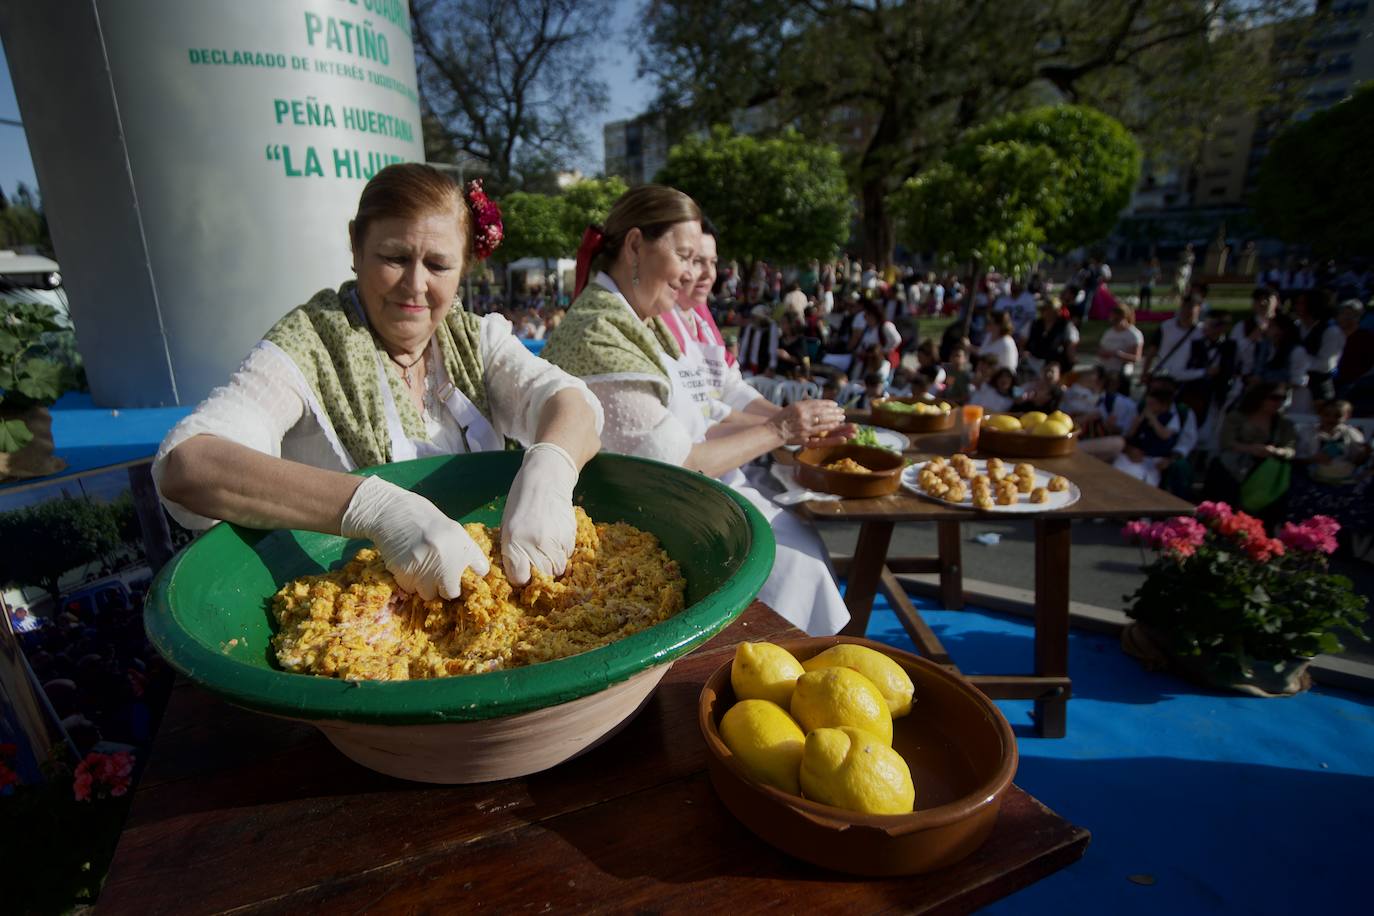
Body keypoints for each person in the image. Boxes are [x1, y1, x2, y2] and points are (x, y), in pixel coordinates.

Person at [153, 164, 603, 599]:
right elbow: (188, 465)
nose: (415, 284)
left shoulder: (473, 340)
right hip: (359, 616)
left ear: (465, 266)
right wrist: (373, 508)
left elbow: (570, 404)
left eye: (439, 265)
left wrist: (550, 468)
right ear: (356, 246)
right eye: (394, 257)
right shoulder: (309, 343)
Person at [542, 185, 852, 635]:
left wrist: (788, 426)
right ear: (634, 246)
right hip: (634, 531)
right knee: (798, 564)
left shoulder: (639, 319)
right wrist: (783, 426)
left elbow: (708, 410)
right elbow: (679, 464)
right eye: (685, 256)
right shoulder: (599, 330)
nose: (691, 275)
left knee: (804, 552)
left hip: (669, 508)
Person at [1205, 381, 1298, 524]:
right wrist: (1251, 449)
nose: (1278, 402)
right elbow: (1226, 442)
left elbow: (1291, 449)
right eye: (1274, 398)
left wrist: (1276, 451)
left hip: (1266, 474)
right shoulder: (1236, 417)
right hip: (1233, 469)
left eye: (1282, 399)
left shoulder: (1284, 424)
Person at [1289, 399, 1372, 533]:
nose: (1331, 419)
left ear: (1347, 416)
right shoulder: (1307, 432)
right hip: (1310, 478)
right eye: (1327, 414)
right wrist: (1313, 459)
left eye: (1337, 415)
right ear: (1320, 414)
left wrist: (1364, 453)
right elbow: (1295, 458)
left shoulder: (1351, 434)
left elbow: (1357, 461)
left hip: (1343, 480)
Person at [1113, 385, 1184, 487]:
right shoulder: (1142, 415)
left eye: (1152, 404)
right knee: (1119, 466)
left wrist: (1153, 420)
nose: (1149, 407)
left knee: (1137, 476)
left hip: (1154, 459)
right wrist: (1138, 421)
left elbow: (1165, 435)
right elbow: (1130, 434)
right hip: (1135, 454)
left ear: (1163, 405)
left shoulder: (1172, 418)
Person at [1066, 367, 1137, 463]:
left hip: (1095, 442)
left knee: (1118, 443)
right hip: (1072, 437)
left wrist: (1110, 426)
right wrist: (1086, 417)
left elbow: (1125, 432)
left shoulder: (1120, 402)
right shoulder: (1078, 393)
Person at [1144, 292, 1203, 383]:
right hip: (1164, 376)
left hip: (1191, 378)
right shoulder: (1166, 327)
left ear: (1199, 309)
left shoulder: (1203, 331)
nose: (1186, 311)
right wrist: (1145, 372)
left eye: (1190, 307)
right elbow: (1152, 350)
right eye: (1184, 306)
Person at [1024, 294, 1077, 375]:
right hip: (1033, 361)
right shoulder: (1033, 324)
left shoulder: (1066, 326)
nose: (1049, 312)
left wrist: (1071, 363)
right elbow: (1022, 342)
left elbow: (1071, 347)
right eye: (1046, 309)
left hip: (1055, 364)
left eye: (1052, 310)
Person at [1096, 303, 1145, 382]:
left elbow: (1136, 358)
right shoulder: (1109, 332)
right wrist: (1103, 353)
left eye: (1117, 320)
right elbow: (1100, 348)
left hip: (1121, 371)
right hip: (1105, 369)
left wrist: (1118, 354)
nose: (1114, 322)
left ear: (1124, 318)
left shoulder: (1134, 334)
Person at [978, 310, 1018, 374]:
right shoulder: (988, 336)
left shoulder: (1006, 343)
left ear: (999, 325)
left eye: (990, 322)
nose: (987, 324)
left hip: (999, 380)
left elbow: (1007, 369)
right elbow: (982, 352)